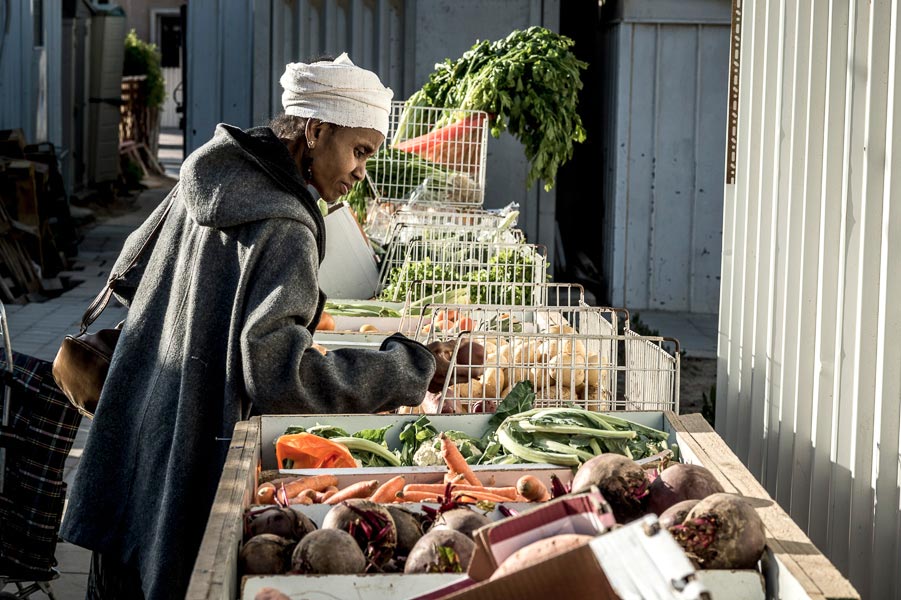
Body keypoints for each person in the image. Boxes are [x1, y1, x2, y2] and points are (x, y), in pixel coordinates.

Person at [60, 54, 444, 599]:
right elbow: (278, 375)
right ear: (315, 130)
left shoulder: (212, 168)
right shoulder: (287, 227)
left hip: (134, 424)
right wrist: (408, 367)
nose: (362, 171)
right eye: (359, 151)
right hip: (191, 448)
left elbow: (131, 262)